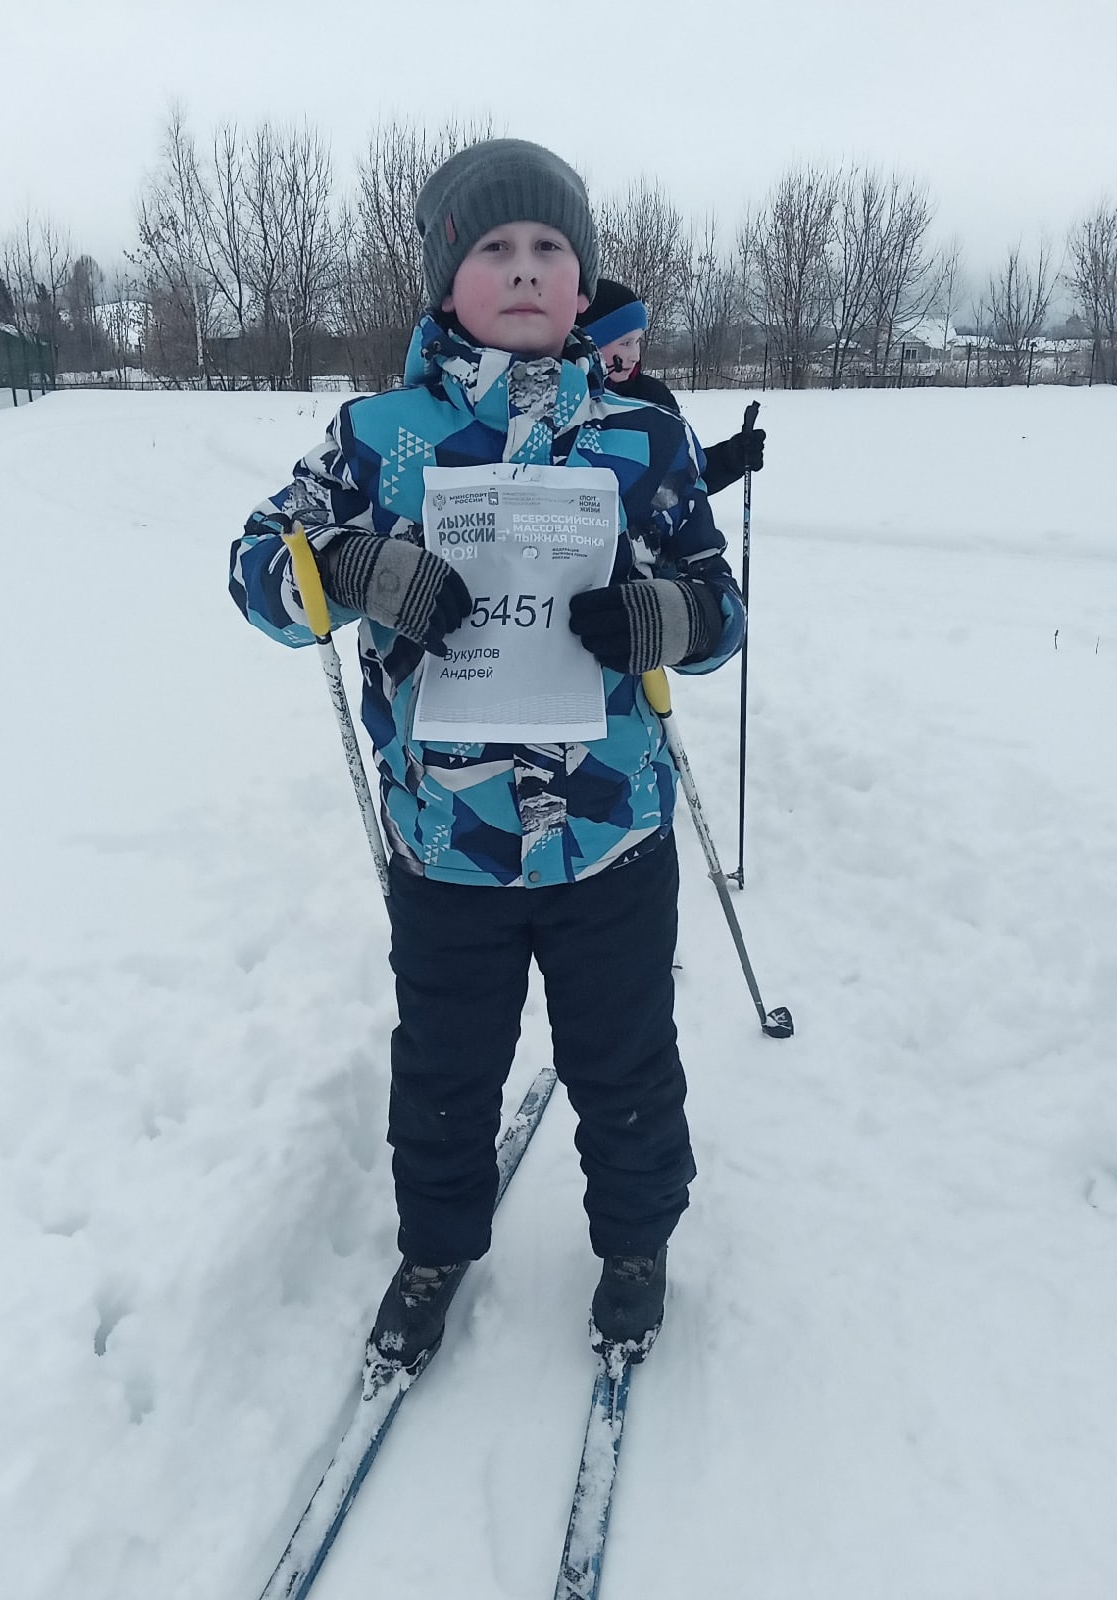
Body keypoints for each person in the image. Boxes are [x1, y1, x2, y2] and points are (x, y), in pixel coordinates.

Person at [229, 139, 746, 1374]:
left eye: (549, 248)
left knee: (625, 1061)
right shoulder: (379, 438)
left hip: (612, 836)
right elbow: (257, 571)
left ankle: (636, 1243)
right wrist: (353, 568)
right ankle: (435, 1248)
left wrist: (665, 617)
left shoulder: (643, 436)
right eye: (494, 248)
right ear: (444, 281)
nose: (523, 269)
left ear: (583, 282)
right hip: (445, 846)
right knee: (445, 1069)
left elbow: (718, 605)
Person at [578, 277, 766, 497]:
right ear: (590, 343)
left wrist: (727, 460)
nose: (635, 355)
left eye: (638, 341)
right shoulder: (562, 401)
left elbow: (680, 481)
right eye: (625, 343)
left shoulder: (651, 398)